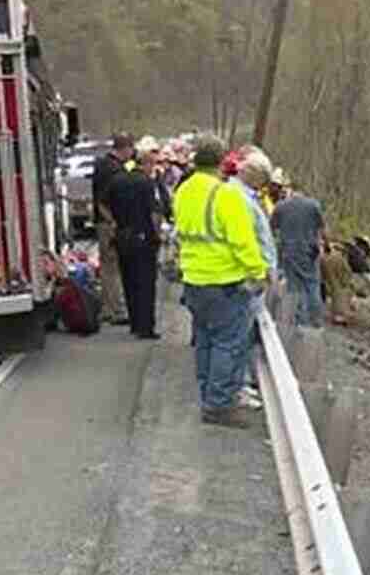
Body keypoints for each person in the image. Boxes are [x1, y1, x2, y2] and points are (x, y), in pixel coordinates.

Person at [173, 135, 268, 428]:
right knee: (228, 344)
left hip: (194, 281)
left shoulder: (183, 191)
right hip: (224, 282)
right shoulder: (225, 196)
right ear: (222, 162)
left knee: (205, 340)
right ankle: (219, 405)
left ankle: (208, 396)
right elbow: (243, 242)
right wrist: (259, 272)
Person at [231, 147, 278, 405]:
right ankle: (236, 385)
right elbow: (247, 240)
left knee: (245, 332)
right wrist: (261, 271)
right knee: (239, 333)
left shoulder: (246, 196)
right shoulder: (240, 199)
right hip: (248, 277)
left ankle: (242, 380)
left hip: (252, 275)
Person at [105, 148, 163, 340]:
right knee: (146, 283)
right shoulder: (147, 183)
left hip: (122, 236)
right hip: (143, 237)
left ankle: (135, 323)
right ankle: (146, 327)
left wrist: (113, 221)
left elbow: (101, 204)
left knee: (128, 280)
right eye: (152, 165)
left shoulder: (118, 180)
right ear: (146, 164)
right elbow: (154, 212)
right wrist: (157, 234)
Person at [92, 133, 134, 324]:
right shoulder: (114, 170)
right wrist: (114, 222)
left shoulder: (101, 165)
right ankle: (118, 310)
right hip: (110, 223)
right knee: (114, 267)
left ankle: (108, 308)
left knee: (107, 267)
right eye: (130, 150)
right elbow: (106, 201)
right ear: (124, 149)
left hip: (102, 221)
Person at [271, 182, 325, 327]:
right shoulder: (314, 205)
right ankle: (316, 319)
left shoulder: (281, 206)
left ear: (291, 190)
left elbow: (272, 228)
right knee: (312, 285)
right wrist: (323, 245)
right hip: (310, 251)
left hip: (289, 251)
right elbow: (322, 228)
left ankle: (300, 321)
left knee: (294, 287)